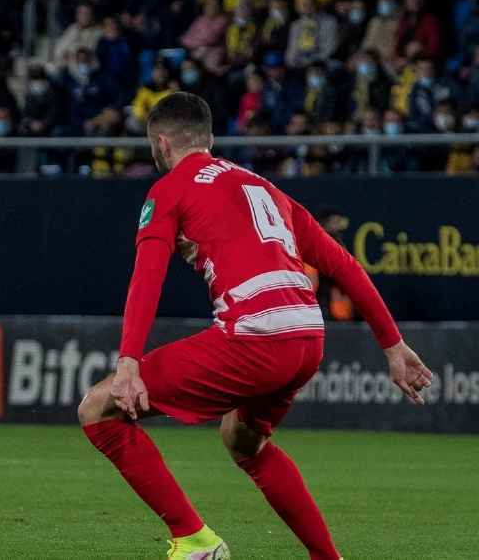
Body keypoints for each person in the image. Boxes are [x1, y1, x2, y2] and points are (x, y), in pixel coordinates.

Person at [77, 92, 433, 559]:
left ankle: (194, 541)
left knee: (98, 407)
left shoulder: (168, 188)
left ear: (161, 144)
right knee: (243, 437)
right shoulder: (264, 187)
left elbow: (147, 276)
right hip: (308, 336)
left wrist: (128, 364)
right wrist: (393, 345)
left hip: (256, 334)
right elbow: (343, 264)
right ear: (210, 139)